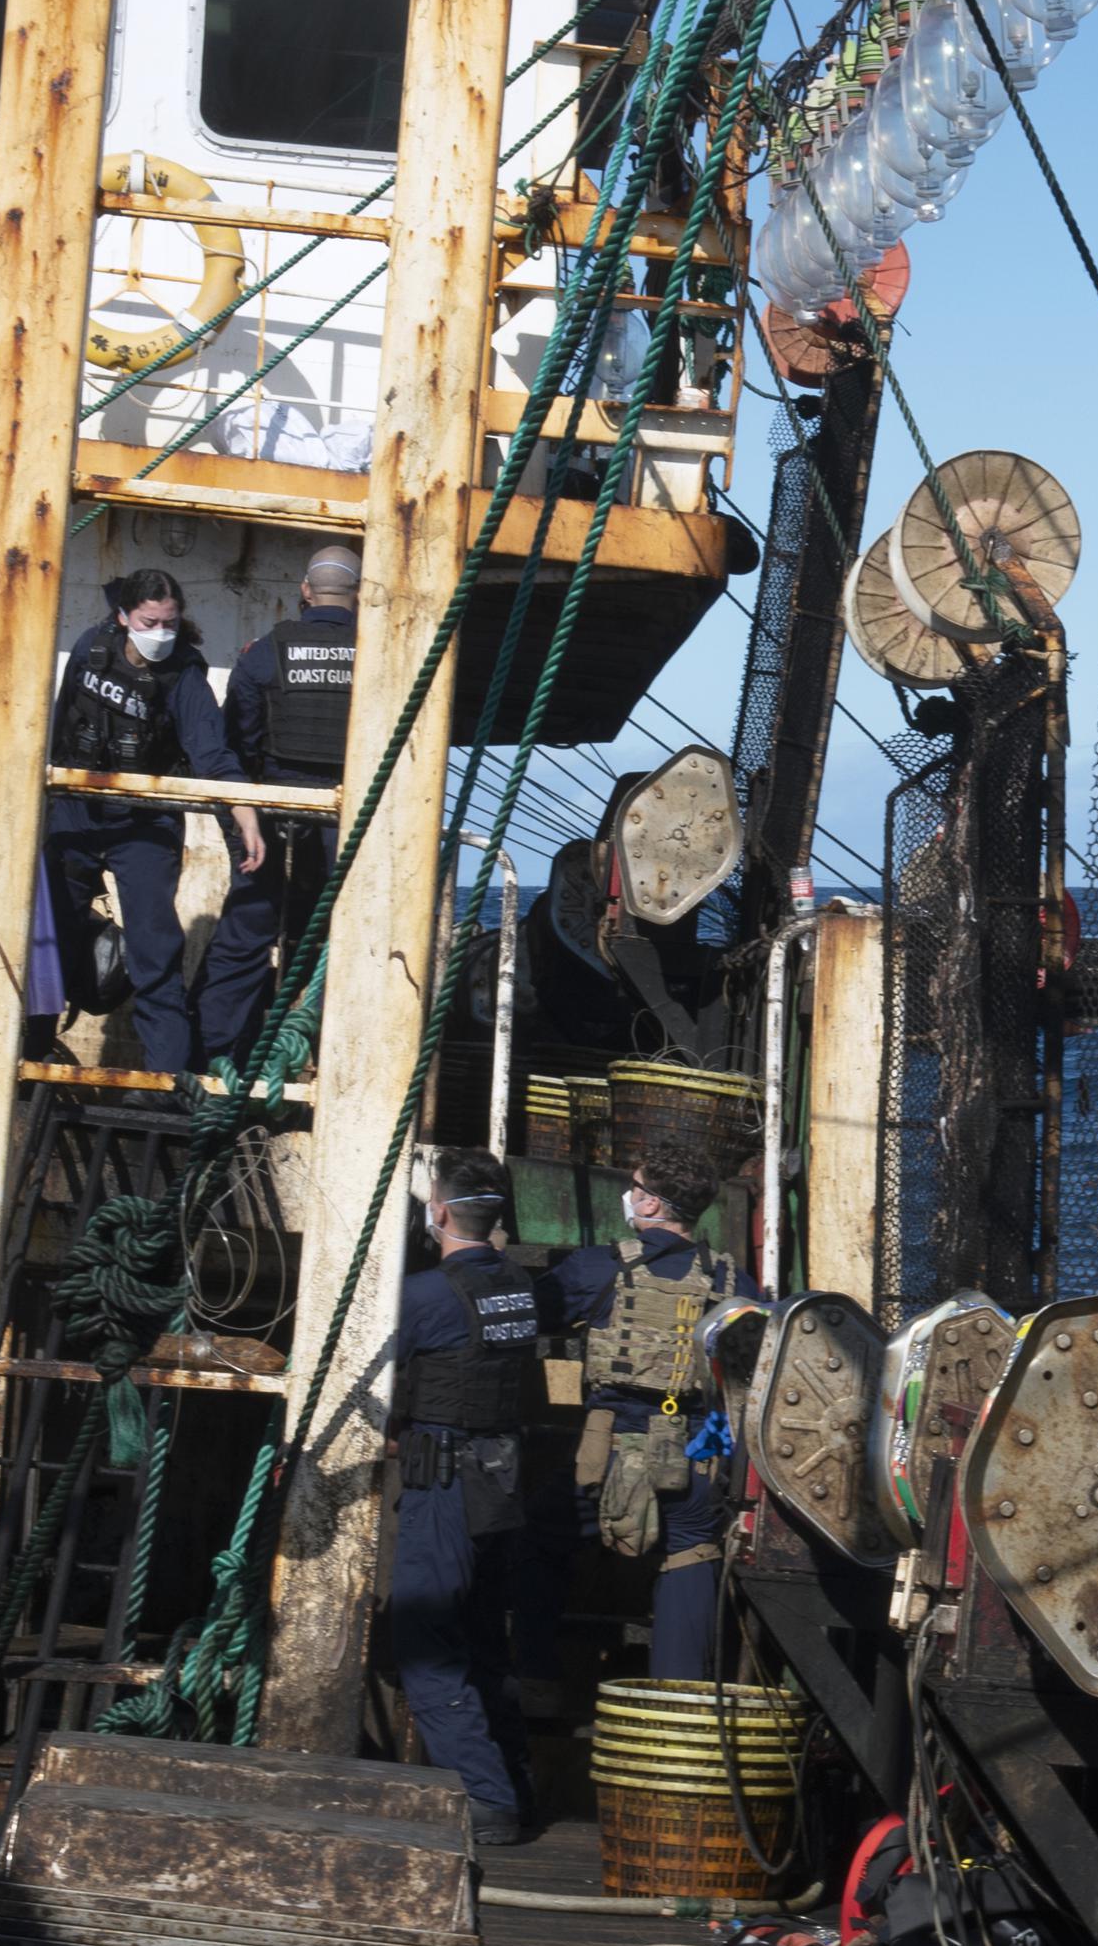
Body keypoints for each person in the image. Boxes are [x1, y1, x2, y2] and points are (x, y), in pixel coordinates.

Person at [533, 1141, 742, 1681]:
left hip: (606, 1459)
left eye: (635, 1187)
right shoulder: (730, 1283)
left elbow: (529, 1316)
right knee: (692, 1554)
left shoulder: (597, 1268)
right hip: (696, 1457)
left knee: (534, 1537)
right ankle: (680, 1703)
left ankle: (534, 1673)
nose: (629, 1196)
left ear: (650, 1205)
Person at [42, 570, 263, 1078]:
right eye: (149, 622)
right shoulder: (89, 647)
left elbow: (211, 750)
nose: (161, 632)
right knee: (51, 936)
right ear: (123, 618)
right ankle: (33, 1050)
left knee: (154, 950)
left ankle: (165, 1077)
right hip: (75, 811)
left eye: (170, 622)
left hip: (145, 821)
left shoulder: (185, 673)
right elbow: (55, 728)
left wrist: (244, 811)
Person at [390, 1147, 542, 1847]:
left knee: (424, 1635)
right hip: (501, 1478)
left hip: (446, 1482)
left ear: (441, 1211)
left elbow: (375, 1361)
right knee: (484, 1636)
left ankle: (485, 1796)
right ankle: (514, 1780)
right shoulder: (519, 1285)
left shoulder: (426, 1295)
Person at [197, 545, 358, 1067]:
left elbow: (237, 740)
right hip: (349, 820)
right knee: (339, 938)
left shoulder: (264, 652)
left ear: (305, 592)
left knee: (246, 932)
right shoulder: (380, 653)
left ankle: (216, 1057)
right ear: (357, 596)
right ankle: (321, 1057)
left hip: (270, 816)